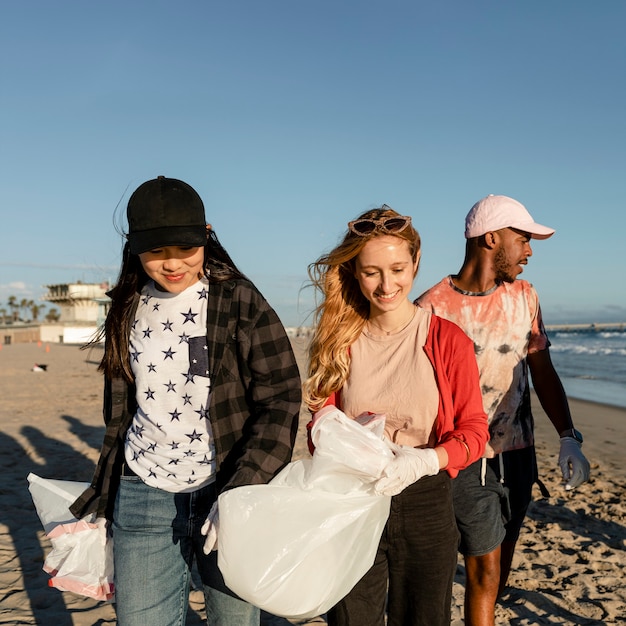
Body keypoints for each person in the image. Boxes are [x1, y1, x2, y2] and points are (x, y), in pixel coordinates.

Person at [70, 176, 302, 626]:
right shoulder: (125, 306)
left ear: (207, 235)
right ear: (134, 247)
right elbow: (120, 414)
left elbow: (281, 399)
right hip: (143, 494)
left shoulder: (240, 300)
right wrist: (105, 493)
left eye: (185, 249)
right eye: (156, 251)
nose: (172, 263)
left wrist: (241, 489)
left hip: (228, 489)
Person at [302, 205, 489, 626]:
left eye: (398, 268)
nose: (387, 285)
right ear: (353, 271)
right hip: (353, 496)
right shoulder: (337, 342)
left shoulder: (446, 339)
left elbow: (475, 432)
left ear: (417, 262)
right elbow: (318, 432)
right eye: (372, 272)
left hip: (425, 499)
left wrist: (427, 459)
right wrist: (325, 426)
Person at [417, 194, 591, 626]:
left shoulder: (525, 298)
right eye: (524, 238)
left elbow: (542, 369)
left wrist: (569, 436)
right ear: (491, 238)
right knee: (471, 566)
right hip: (459, 458)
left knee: (499, 568)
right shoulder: (429, 308)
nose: (530, 251)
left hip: (516, 453)